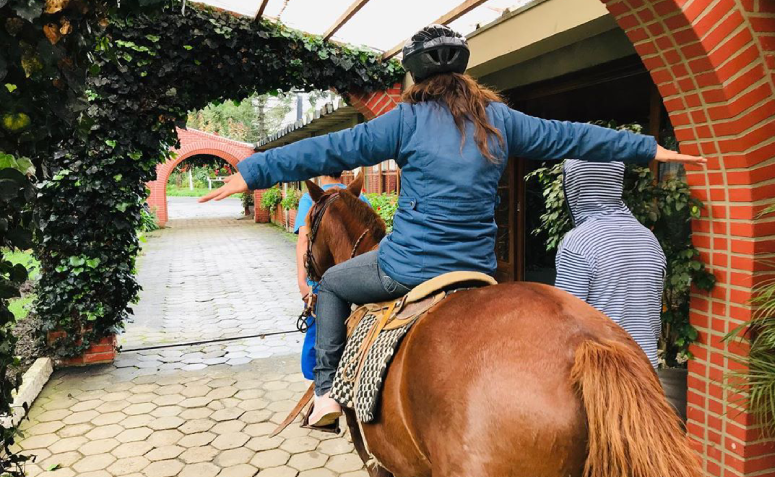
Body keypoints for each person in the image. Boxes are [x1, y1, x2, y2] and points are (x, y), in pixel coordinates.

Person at [201, 24, 705, 427]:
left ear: (415, 75)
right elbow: (571, 137)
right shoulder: (500, 120)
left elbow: (326, 149)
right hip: (478, 269)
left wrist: (252, 172)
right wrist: (646, 148)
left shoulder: (405, 120)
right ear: (463, 70)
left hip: (408, 268)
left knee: (331, 283)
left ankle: (329, 393)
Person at [554, 160, 666, 368]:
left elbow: (565, 324)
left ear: (575, 186)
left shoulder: (578, 241)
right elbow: (653, 316)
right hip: (646, 369)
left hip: (603, 374)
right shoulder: (649, 239)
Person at [294, 173, 371, 380]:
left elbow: (304, 240)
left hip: (324, 278)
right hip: (357, 276)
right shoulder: (358, 196)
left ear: (319, 172)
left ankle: (317, 388)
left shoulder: (312, 198)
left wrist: (302, 282)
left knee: (317, 334)